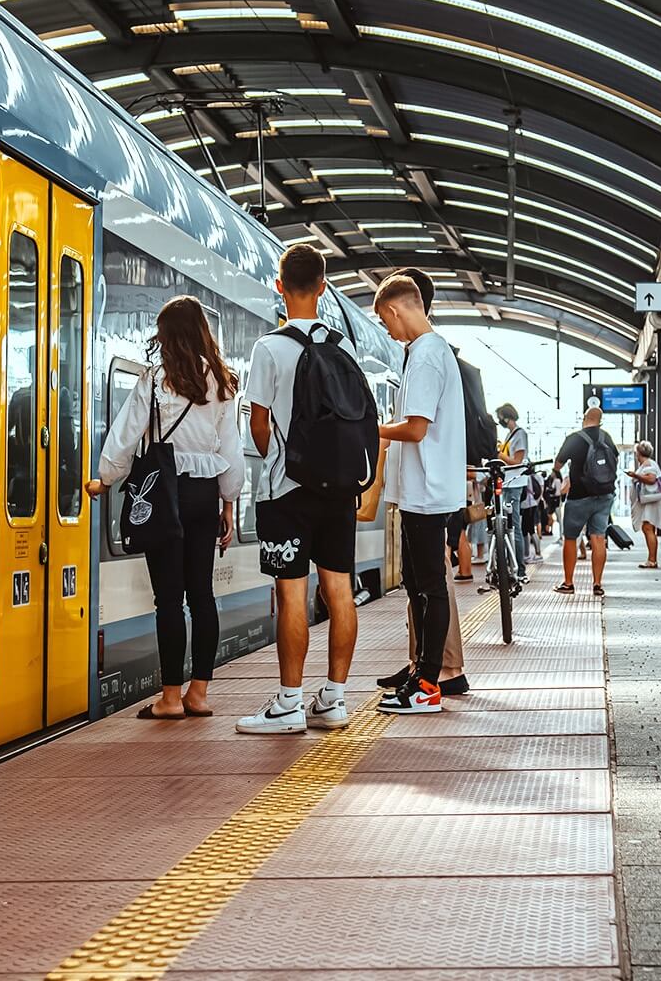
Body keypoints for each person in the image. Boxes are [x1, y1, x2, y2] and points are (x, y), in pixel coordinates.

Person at [86, 296, 241, 719]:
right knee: (202, 595)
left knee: (169, 600)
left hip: (163, 492)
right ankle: (200, 694)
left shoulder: (155, 380)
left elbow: (127, 433)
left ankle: (170, 698)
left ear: (166, 336)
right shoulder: (223, 383)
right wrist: (229, 503)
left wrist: (105, 477)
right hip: (205, 493)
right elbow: (231, 448)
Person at [235, 245, 361, 733]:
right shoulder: (343, 347)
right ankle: (333, 700)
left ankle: (288, 705)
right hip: (338, 490)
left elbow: (259, 421)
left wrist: (275, 459)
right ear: (324, 288)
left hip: (288, 490)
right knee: (340, 591)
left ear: (279, 286)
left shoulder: (269, 347)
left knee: (292, 595)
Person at [372, 273, 467, 713]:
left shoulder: (428, 355)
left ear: (395, 310)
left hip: (428, 491)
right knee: (417, 584)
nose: (387, 330)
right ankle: (420, 672)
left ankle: (428, 682)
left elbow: (415, 427)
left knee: (429, 586)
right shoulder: (426, 353)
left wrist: (373, 430)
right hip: (420, 490)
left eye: (384, 320)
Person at [552, 404, 618, 596]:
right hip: (605, 494)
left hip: (579, 495)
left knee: (571, 538)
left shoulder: (575, 438)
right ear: (600, 421)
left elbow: (558, 464)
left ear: (584, 418)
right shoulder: (607, 437)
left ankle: (568, 583)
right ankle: (597, 584)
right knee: (598, 537)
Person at [496, 404, 530, 581]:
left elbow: (517, 460)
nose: (500, 420)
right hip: (508, 483)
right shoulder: (510, 435)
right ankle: (512, 565)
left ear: (507, 416)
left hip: (515, 484)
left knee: (513, 525)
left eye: (501, 416)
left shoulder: (520, 434)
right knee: (508, 525)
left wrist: (499, 455)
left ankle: (520, 568)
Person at [625, 440, 661, 568]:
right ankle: (651, 559)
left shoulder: (648, 464)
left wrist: (636, 475)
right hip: (651, 502)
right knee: (649, 529)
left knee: (648, 528)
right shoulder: (649, 463)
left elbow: (651, 479)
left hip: (650, 503)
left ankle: (652, 560)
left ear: (639, 453)